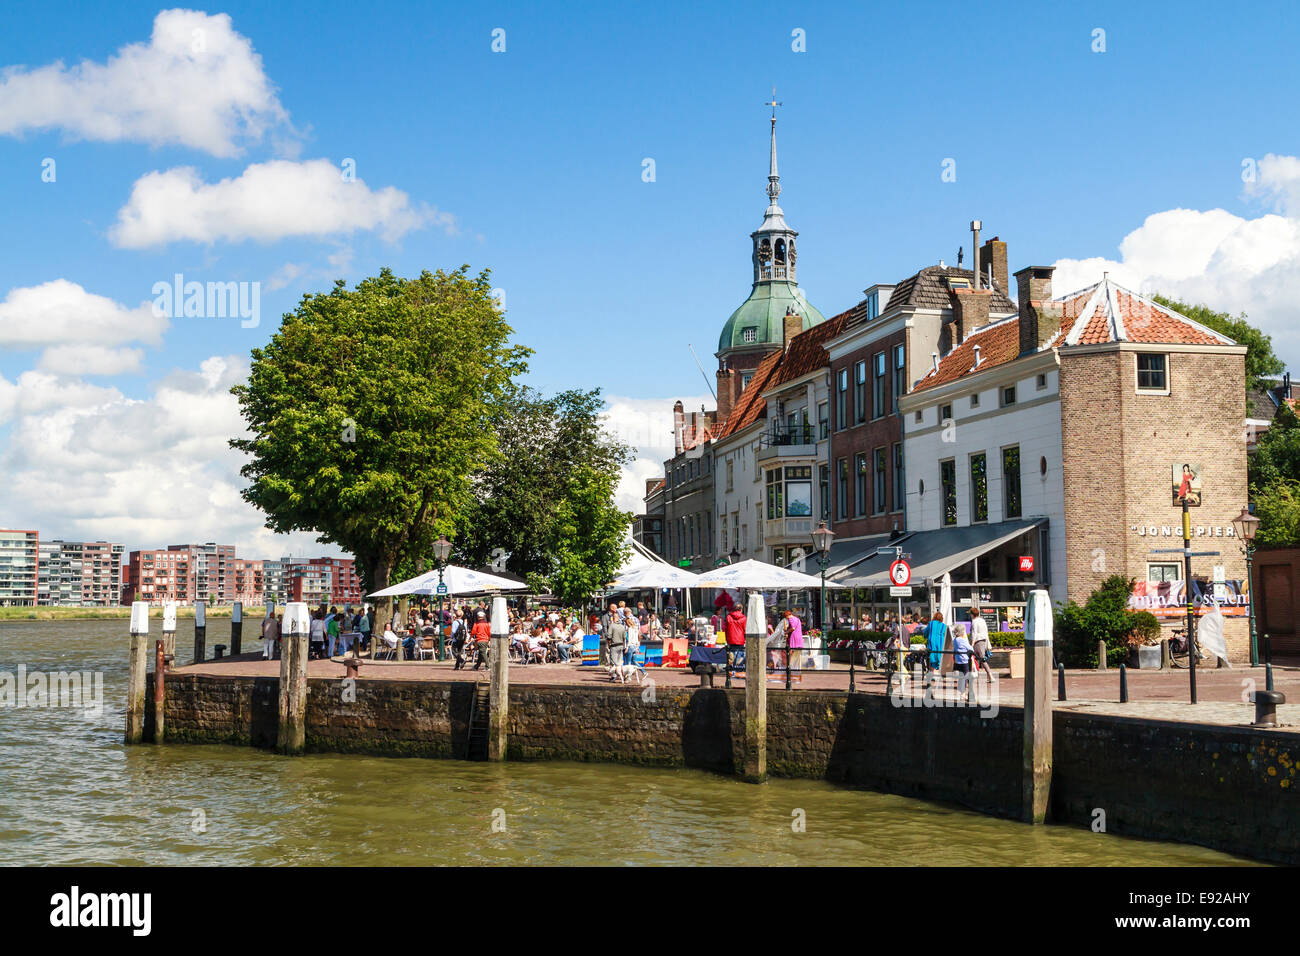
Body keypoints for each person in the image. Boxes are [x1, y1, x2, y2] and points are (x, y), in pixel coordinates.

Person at [951, 622, 974, 695]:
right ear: (962, 632)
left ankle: (961, 691)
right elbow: (970, 648)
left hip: (958, 660)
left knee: (961, 677)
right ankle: (963, 693)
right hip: (964, 660)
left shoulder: (954, 640)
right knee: (965, 676)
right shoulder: (962, 640)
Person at [724, 601, 746, 672]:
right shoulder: (744, 618)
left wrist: (726, 639)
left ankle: (731, 670)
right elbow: (745, 629)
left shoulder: (728, 617)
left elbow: (726, 629)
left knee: (731, 655)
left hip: (731, 639)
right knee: (740, 654)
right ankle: (736, 670)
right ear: (741, 609)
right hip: (740, 640)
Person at [968, 605, 991, 671]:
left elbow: (974, 633)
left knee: (981, 659)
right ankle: (977, 674)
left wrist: (972, 644)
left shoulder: (974, 621)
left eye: (971, 614)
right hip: (983, 640)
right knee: (979, 658)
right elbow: (986, 631)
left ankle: (990, 675)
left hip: (977, 642)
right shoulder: (982, 620)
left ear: (972, 614)